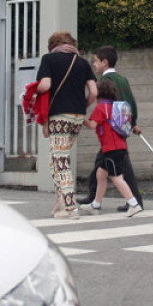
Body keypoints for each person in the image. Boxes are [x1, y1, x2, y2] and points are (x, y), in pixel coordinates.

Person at [36, 31, 98, 219]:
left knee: (61, 161)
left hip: (59, 117)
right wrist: (82, 106)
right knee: (56, 158)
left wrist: (33, 90)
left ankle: (71, 208)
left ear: (53, 45)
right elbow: (94, 92)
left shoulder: (49, 59)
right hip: (77, 117)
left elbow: (45, 85)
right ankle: (60, 202)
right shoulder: (82, 62)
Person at [76, 46, 143, 212]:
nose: (94, 64)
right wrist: (132, 122)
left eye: (96, 61)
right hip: (121, 128)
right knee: (102, 168)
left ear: (104, 62)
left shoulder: (107, 82)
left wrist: (79, 117)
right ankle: (96, 201)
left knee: (115, 170)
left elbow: (94, 121)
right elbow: (130, 102)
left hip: (111, 133)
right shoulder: (122, 79)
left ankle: (133, 202)